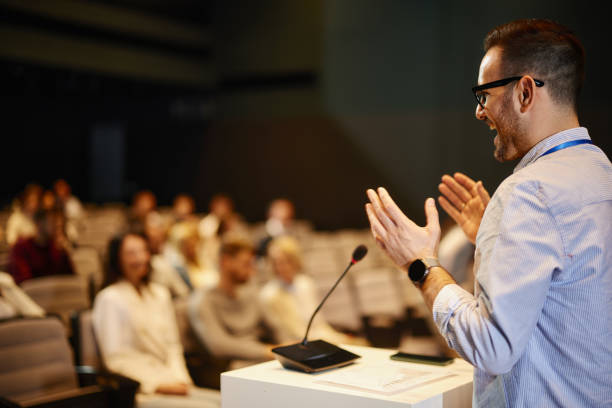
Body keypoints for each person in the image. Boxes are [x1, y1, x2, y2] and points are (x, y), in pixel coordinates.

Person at [365, 19, 611, 407]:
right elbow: (573, 294)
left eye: (484, 94)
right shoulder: (601, 173)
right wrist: (494, 242)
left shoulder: (527, 193)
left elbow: (491, 346)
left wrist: (421, 264)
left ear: (525, 91)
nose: (480, 112)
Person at [92, 233, 220, 407]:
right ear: (117, 259)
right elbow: (116, 360)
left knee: (229, 401)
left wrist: (181, 379)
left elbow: (172, 345)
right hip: (142, 390)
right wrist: (159, 385)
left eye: (144, 251)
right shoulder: (109, 298)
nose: (141, 258)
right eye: (131, 253)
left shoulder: (160, 293)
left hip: (174, 380)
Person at [188, 235, 275, 367]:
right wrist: (267, 351)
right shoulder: (202, 300)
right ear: (225, 261)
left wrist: (292, 348)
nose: (252, 271)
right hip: (232, 368)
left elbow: (275, 326)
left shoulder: (251, 294)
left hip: (263, 361)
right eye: (246, 264)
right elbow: (218, 345)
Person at [259, 236, 363, 345]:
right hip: (300, 344)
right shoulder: (269, 295)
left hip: (322, 337)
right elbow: (286, 335)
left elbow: (320, 324)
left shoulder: (306, 284)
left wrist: (338, 338)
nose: (282, 267)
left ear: (295, 261)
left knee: (360, 344)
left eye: (287, 261)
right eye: (277, 262)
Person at [8, 209, 75, 285]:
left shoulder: (58, 249)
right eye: (52, 223)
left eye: (60, 226)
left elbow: (70, 281)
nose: (58, 230)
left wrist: (64, 255)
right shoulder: (22, 248)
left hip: (56, 295)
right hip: (31, 295)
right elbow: (24, 284)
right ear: (39, 223)